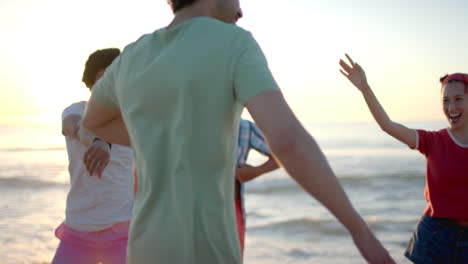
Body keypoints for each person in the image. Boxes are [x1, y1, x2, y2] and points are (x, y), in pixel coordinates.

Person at [81, 0, 395, 263]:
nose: (240, 11)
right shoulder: (234, 43)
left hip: (144, 251)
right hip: (206, 252)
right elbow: (287, 141)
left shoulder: (132, 56)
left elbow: (93, 122)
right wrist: (360, 231)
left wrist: (157, 133)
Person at [339, 54, 468, 264]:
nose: (451, 107)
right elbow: (387, 125)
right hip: (435, 236)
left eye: (458, 99)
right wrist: (364, 88)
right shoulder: (433, 141)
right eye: (446, 100)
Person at [53, 48, 134, 264]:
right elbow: (77, 127)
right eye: (103, 77)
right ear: (90, 83)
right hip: (78, 229)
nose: (111, 83)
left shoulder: (134, 120)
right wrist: (99, 142)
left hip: (122, 232)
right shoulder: (76, 110)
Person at [234, 118, 278, 255]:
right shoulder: (185, 123)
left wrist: (256, 171)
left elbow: (284, 154)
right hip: (188, 206)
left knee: (232, 256)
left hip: (232, 208)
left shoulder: (244, 127)